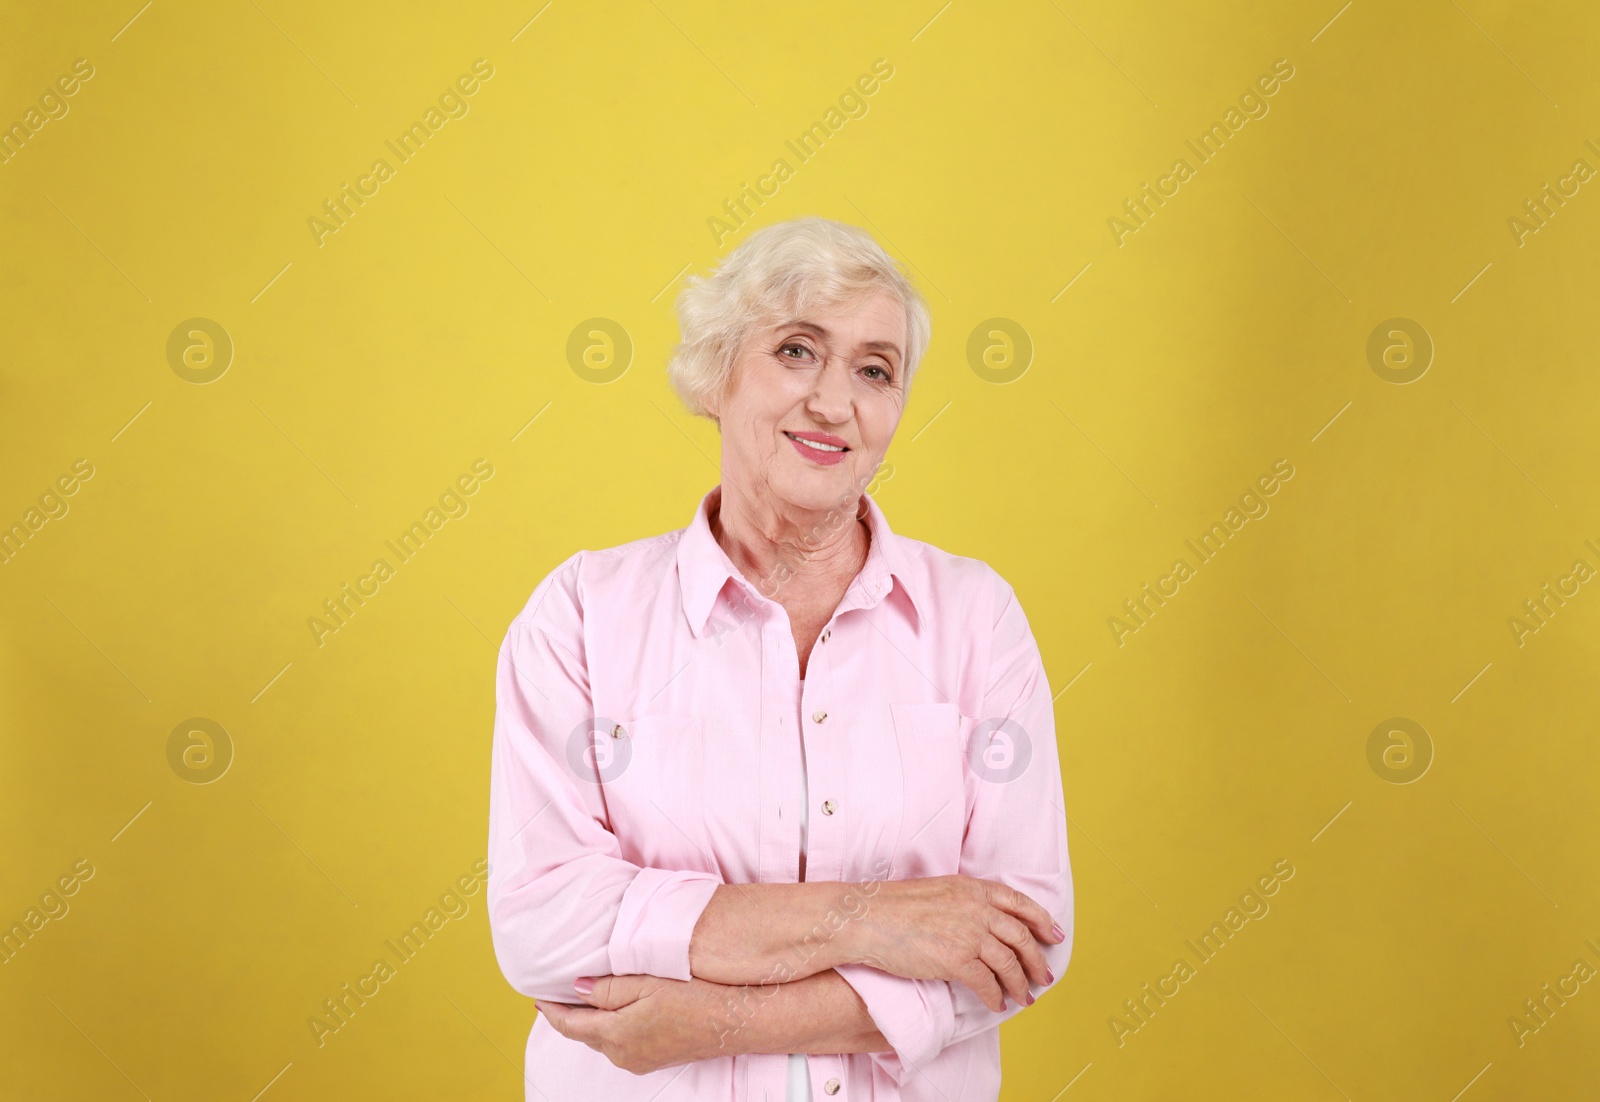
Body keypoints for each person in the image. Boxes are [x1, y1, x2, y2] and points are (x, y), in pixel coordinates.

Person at [486, 216, 1072, 1100]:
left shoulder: (976, 618)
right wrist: (880, 921)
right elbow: (543, 922)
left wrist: (711, 1021)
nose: (835, 402)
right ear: (716, 374)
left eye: (874, 370)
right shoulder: (577, 615)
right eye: (798, 351)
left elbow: (1023, 941)